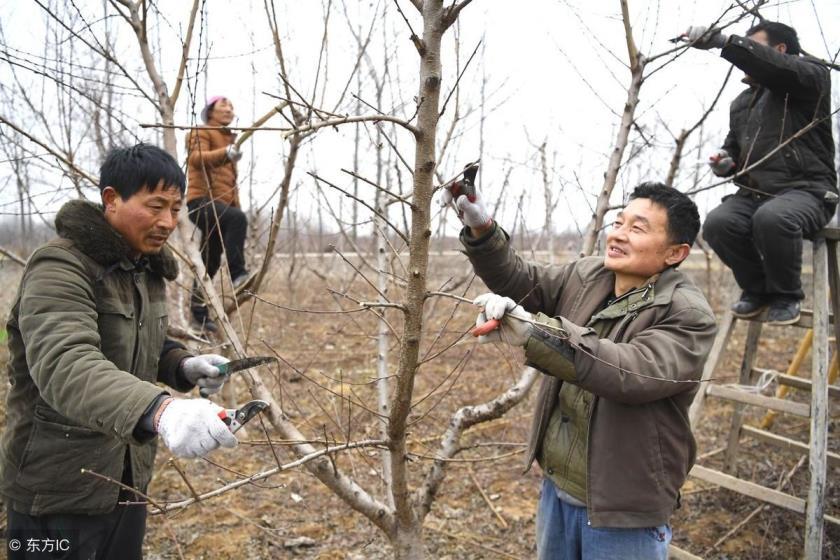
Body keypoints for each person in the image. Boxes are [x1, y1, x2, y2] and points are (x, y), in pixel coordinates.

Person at [441, 181, 717, 559]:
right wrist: (482, 229)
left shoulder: (687, 314)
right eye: (618, 223)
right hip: (557, 488)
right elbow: (522, 281)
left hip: (624, 510)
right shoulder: (590, 275)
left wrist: (536, 333)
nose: (618, 235)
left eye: (637, 228)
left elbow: (630, 372)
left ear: (675, 252)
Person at [0, 144, 238, 559]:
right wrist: (161, 410)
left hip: (126, 478)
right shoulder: (59, 267)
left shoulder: (144, 269)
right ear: (111, 199)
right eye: (155, 206)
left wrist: (183, 365)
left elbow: (138, 340)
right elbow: (66, 363)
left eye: (175, 209)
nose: (167, 222)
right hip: (55, 489)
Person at [684, 21, 837, 325]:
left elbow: (782, 70)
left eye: (751, 45)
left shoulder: (811, 77)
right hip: (755, 193)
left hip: (808, 192)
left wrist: (725, 41)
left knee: (773, 217)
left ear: (780, 50)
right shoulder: (742, 104)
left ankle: (787, 295)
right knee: (718, 223)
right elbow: (733, 149)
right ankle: (757, 290)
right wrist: (725, 161)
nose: (745, 53)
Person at [186, 96, 251, 333]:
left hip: (220, 208)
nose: (229, 109)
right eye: (224, 105)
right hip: (201, 202)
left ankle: (199, 315)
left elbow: (230, 186)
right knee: (236, 218)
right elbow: (194, 159)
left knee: (209, 261)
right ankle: (238, 275)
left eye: (232, 106)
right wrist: (226, 152)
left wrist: (236, 208)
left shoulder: (227, 139)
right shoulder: (201, 132)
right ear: (210, 111)